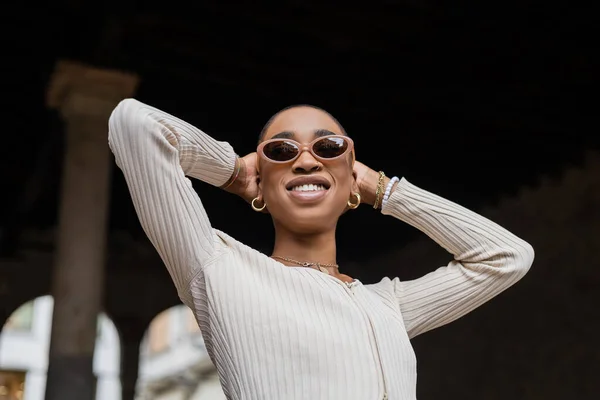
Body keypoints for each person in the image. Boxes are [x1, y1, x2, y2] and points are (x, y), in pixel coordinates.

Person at [108, 98, 534, 400]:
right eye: (281, 150)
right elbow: (135, 124)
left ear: (352, 185)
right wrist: (234, 172)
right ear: (262, 185)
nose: (307, 161)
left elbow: (506, 257)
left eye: (329, 148)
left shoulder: (386, 306)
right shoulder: (219, 268)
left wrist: (381, 188)